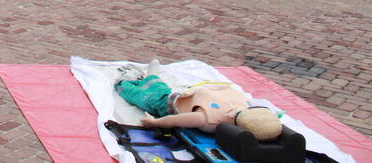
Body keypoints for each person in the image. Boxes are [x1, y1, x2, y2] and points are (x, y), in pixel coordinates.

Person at [117, 69, 282, 142]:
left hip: (196, 95)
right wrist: (154, 123)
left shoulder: (246, 106)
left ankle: (152, 75)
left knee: (160, 87)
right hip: (169, 103)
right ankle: (123, 82)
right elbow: (176, 120)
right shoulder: (208, 119)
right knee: (144, 96)